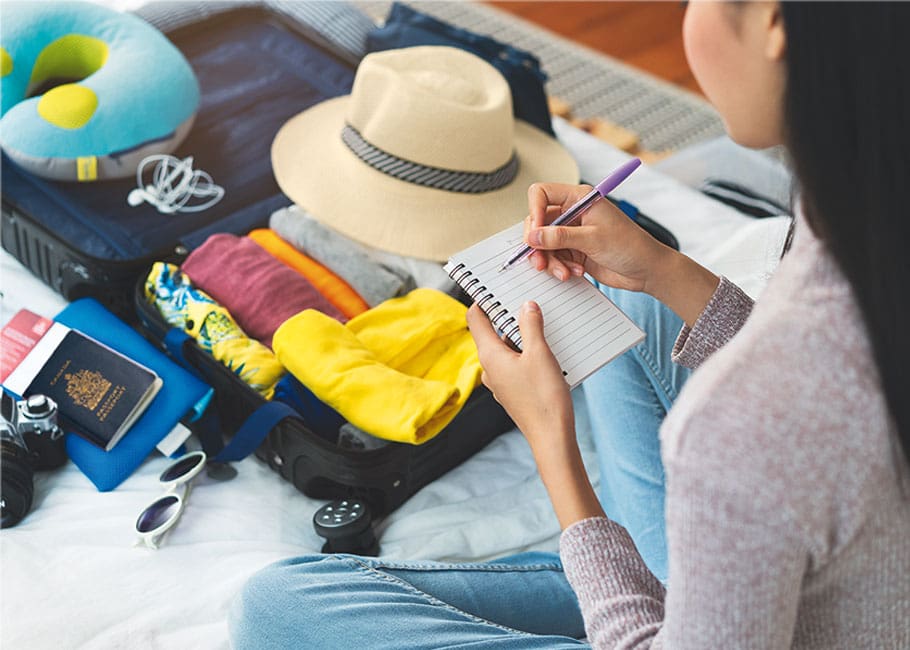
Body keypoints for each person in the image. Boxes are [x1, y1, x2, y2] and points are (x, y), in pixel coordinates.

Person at [229, 2, 910, 647]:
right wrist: (658, 268)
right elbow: (819, 409)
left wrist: (550, 440)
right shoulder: (858, 223)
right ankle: (656, 579)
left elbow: (784, 413)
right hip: (799, 580)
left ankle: (632, 585)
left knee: (278, 612)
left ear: (773, 22)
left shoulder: (734, 422)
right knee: (636, 306)